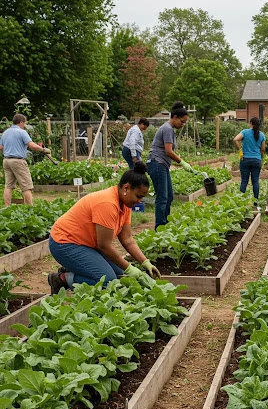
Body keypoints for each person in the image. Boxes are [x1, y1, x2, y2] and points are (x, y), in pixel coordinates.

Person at [47, 161, 160, 294]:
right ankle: (63, 279)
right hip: (64, 243)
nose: (139, 201)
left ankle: (74, 268)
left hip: (85, 245)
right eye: (138, 196)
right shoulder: (107, 203)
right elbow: (104, 246)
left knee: (120, 274)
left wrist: (145, 262)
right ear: (126, 188)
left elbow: (128, 239)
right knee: (108, 281)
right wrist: (130, 268)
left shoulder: (125, 205)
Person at [146, 101, 194, 229]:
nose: (183, 124)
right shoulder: (167, 129)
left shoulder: (169, 129)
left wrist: (179, 159)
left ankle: (164, 224)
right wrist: (182, 162)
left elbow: (169, 150)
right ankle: (160, 227)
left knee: (169, 196)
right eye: (182, 121)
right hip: (157, 163)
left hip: (161, 164)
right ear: (175, 117)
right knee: (162, 197)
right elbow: (168, 151)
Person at [0, 113, 52, 206]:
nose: (25, 125)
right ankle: (29, 209)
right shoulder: (22, 132)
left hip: (7, 160)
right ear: (21, 122)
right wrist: (43, 149)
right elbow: (31, 145)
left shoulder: (5, 132)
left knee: (8, 186)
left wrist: (10, 148)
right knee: (26, 186)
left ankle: (7, 207)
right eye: (25, 123)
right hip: (18, 161)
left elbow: (0, 147)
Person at [233, 117, 266, 205]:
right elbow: (263, 149)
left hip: (245, 160)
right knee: (255, 181)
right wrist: (260, 157)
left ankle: (240, 202)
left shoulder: (245, 132)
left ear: (251, 123)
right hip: (256, 160)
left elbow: (235, 139)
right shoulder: (261, 135)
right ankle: (255, 202)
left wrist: (239, 150)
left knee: (244, 181)